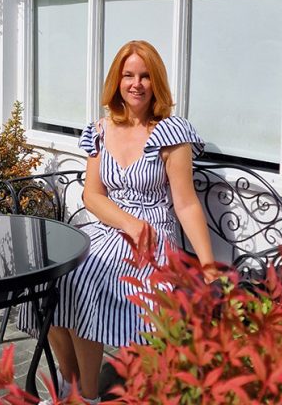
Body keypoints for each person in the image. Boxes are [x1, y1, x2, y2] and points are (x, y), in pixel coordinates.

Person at [22, 39, 217, 405]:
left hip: (153, 237)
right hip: (115, 225)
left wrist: (207, 266)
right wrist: (126, 222)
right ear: (117, 80)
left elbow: (186, 203)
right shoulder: (100, 129)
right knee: (47, 276)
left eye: (145, 76)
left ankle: (88, 398)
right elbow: (92, 195)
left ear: (156, 81)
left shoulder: (171, 132)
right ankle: (70, 385)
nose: (136, 84)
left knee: (81, 278)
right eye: (128, 75)